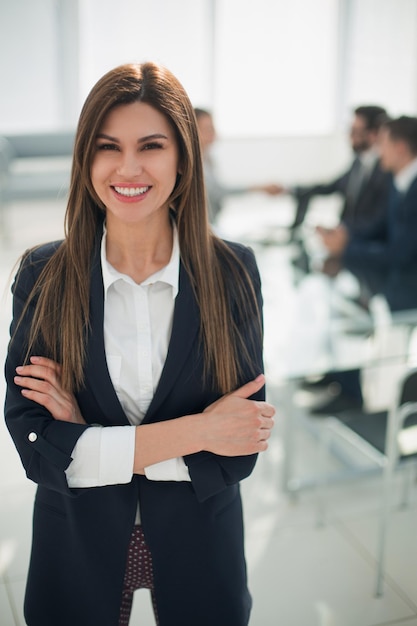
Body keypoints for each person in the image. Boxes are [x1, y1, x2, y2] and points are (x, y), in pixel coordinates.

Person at [4, 62, 275, 626]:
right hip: (77, 545)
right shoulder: (43, 273)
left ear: (182, 156)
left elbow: (242, 444)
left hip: (202, 545)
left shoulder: (233, 271)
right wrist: (199, 431)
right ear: (86, 158)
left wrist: (86, 442)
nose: (128, 168)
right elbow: (37, 447)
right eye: (108, 147)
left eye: (150, 145)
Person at [312, 115, 417, 414]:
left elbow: (400, 252)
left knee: (366, 331)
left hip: (407, 294)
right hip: (391, 285)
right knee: (343, 307)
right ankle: (345, 386)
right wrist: (342, 236)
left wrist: (346, 249)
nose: (378, 150)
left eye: (382, 144)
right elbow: (380, 228)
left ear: (399, 147)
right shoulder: (402, 181)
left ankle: (374, 409)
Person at [286, 105, 391, 236]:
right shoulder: (358, 163)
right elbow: (330, 186)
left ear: (374, 134)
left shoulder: (388, 169)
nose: (350, 136)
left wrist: (343, 234)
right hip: (345, 240)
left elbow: (380, 221)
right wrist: (288, 189)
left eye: (355, 131)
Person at [194, 107, 282, 224]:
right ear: (192, 131)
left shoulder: (208, 158)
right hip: (201, 227)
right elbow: (219, 191)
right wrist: (260, 188)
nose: (214, 134)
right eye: (208, 129)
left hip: (211, 224)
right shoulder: (192, 164)